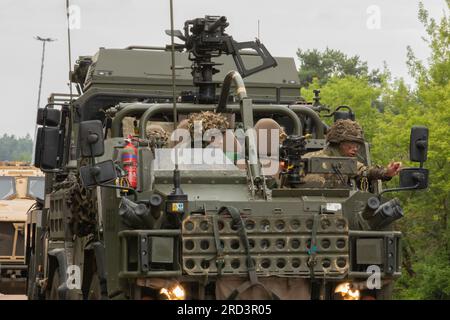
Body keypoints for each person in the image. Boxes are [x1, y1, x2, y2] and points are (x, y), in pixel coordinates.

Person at [303, 119, 401, 189]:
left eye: (357, 146)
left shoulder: (347, 163)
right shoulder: (311, 159)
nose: (355, 149)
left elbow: (365, 171)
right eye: (351, 145)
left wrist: (386, 172)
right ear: (338, 143)